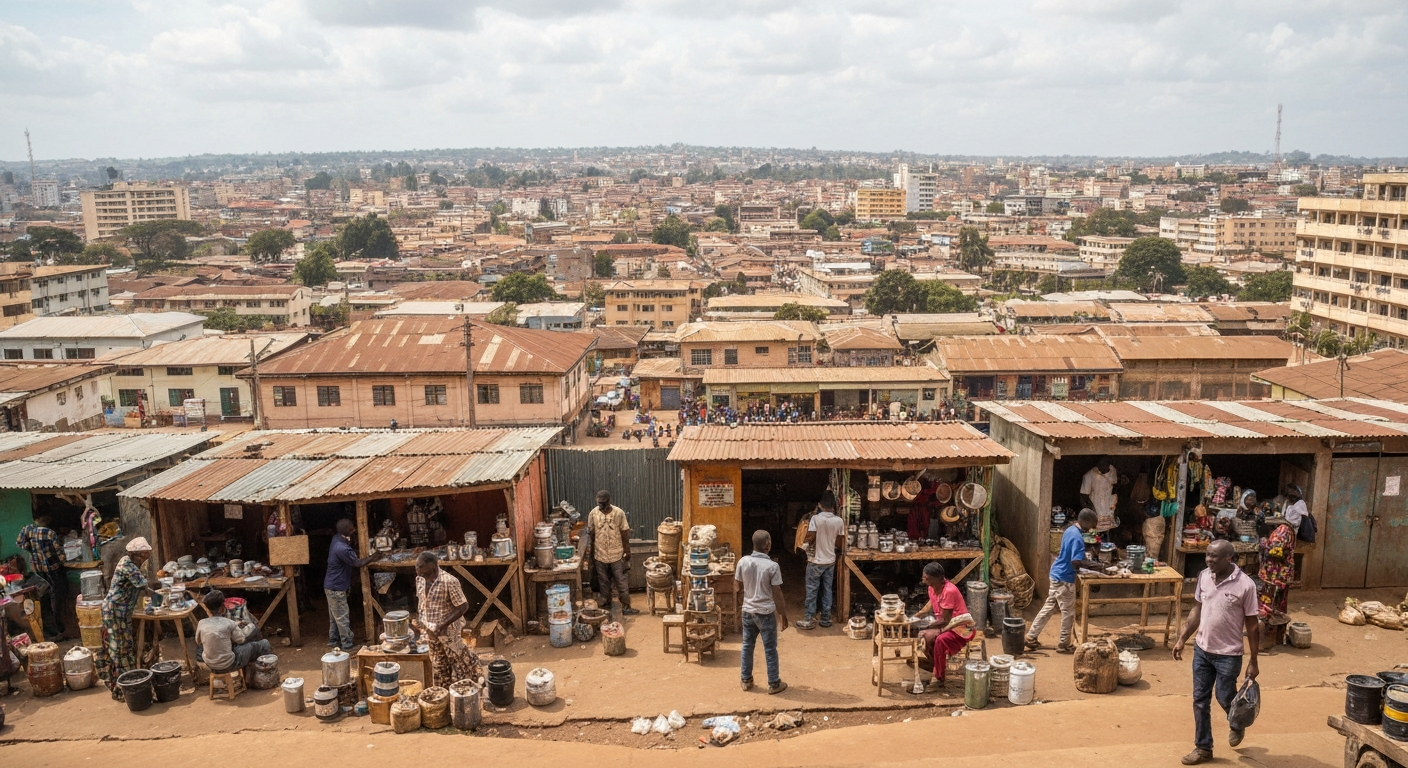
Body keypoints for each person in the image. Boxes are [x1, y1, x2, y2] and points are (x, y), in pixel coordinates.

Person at [1173, 539, 1260, 765]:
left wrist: (1253, 660)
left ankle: (1237, 722)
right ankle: (1203, 748)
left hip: (1229, 654)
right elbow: (1198, 609)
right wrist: (1183, 638)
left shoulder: (1246, 586)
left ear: (1229, 558)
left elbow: (1252, 625)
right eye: (1207, 555)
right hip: (1202, 650)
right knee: (1200, 700)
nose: (1209, 560)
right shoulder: (1204, 577)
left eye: (1214, 557)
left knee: (1224, 696)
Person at [1025, 508, 1104, 653]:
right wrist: (1099, 566)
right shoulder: (1077, 538)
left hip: (1056, 573)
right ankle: (1064, 644)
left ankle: (1031, 636)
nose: (1093, 528)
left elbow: (1072, 551)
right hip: (1065, 578)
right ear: (1086, 522)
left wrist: (1091, 549)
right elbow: (1076, 561)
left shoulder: (1070, 530)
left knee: (1049, 607)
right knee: (1068, 612)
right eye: (1093, 524)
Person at [96, 537, 159, 699]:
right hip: (114, 611)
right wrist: (160, 595)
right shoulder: (126, 564)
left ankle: (131, 683)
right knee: (119, 649)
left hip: (123, 613)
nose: (144, 558)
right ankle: (122, 688)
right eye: (141, 555)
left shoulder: (135, 566)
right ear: (132, 553)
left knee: (126, 646)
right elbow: (143, 586)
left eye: (146, 555)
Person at [413, 551, 480, 686]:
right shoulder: (419, 579)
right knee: (439, 667)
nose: (417, 569)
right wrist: (422, 625)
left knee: (459, 666)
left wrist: (442, 625)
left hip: (448, 632)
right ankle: (444, 695)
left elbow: (463, 606)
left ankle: (465, 694)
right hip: (431, 632)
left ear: (432, 565)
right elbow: (422, 603)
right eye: (416, 566)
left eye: (420, 566)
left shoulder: (449, 581)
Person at [735, 529, 788, 695]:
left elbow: (737, 586)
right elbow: (777, 592)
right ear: (768, 544)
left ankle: (746, 680)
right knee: (770, 648)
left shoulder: (743, 562)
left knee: (747, 645)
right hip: (765, 612)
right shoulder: (772, 566)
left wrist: (742, 604)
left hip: (747, 611)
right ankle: (773, 683)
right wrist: (783, 615)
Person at [914, 562, 976, 690]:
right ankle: (935, 664)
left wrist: (926, 625)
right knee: (925, 638)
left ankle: (939, 678)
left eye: (926, 577)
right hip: (946, 625)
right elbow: (931, 602)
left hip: (962, 627)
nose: (923, 579)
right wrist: (918, 616)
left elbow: (946, 620)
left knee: (939, 640)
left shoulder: (949, 591)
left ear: (936, 577)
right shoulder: (932, 587)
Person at [325, 519, 384, 650]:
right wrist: (374, 556)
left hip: (331, 585)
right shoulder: (342, 548)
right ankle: (347, 645)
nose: (354, 529)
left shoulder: (337, 539)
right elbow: (357, 563)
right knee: (342, 616)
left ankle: (333, 641)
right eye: (352, 528)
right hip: (337, 587)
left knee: (335, 616)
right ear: (348, 531)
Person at [582, 490, 637, 615]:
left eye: (604, 503)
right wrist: (591, 555)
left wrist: (627, 550)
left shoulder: (619, 513)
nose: (602, 505)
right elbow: (592, 533)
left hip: (617, 554)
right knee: (603, 581)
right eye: (600, 503)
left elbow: (624, 532)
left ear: (609, 501)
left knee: (621, 581)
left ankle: (626, 607)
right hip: (600, 554)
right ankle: (606, 603)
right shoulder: (593, 514)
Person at [799, 491, 846, 630]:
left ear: (820, 504)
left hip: (815, 561)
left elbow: (811, 537)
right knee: (827, 590)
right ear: (833, 506)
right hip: (830, 561)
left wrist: (804, 540)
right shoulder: (839, 521)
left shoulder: (816, 519)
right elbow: (839, 543)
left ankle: (808, 619)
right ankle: (825, 619)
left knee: (812, 590)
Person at [15, 515, 67, 640]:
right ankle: (59, 629)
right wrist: (63, 561)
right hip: (52, 570)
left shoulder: (28, 530)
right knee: (56, 597)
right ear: (48, 520)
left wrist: (32, 551)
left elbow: (19, 544)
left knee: (44, 599)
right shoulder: (49, 533)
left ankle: (50, 631)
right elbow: (60, 555)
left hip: (38, 570)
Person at [194, 589, 271, 674]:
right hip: (228, 664)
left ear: (207, 609)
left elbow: (198, 641)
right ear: (222, 606)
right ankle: (260, 672)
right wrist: (250, 626)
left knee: (206, 644)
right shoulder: (229, 623)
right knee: (263, 643)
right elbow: (241, 639)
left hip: (209, 664)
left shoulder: (202, 623)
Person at [1257, 510, 1296, 618]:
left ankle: (1269, 627)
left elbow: (1275, 550)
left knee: (1270, 600)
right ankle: (1277, 627)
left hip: (1275, 573)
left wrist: (1263, 542)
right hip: (1281, 573)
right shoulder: (1289, 528)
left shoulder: (1283, 529)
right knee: (1279, 601)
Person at [1081, 456, 1120, 532]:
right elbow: (1083, 496)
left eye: (1104, 464)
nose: (1102, 466)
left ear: (1109, 464)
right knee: (1095, 534)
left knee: (1109, 531)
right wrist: (1092, 511)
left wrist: (1114, 503)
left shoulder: (1113, 471)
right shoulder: (1089, 475)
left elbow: (1115, 486)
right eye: (1100, 464)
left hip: (1109, 510)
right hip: (1096, 510)